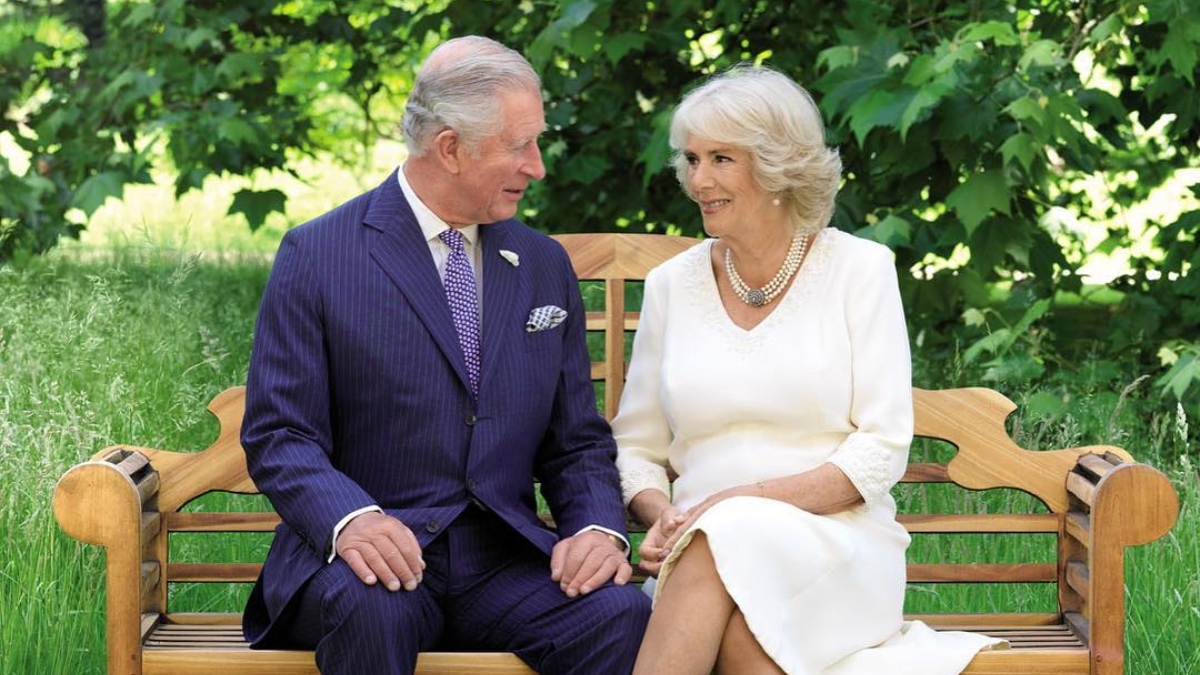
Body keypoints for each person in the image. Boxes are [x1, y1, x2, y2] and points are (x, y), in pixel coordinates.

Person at [240, 35, 650, 675]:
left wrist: (597, 529)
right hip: (369, 555)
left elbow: (576, 441)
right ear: (451, 148)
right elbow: (280, 433)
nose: (537, 167)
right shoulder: (317, 255)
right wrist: (351, 521)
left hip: (500, 563)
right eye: (520, 146)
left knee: (617, 613)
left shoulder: (542, 264)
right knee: (374, 609)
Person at [612, 65, 1005, 675]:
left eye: (721, 159)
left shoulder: (859, 270)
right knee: (741, 631)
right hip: (702, 554)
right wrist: (661, 514)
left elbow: (880, 449)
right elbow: (636, 446)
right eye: (691, 159)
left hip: (835, 548)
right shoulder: (671, 285)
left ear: (778, 167)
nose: (698, 180)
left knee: (723, 540)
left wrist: (734, 503)